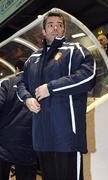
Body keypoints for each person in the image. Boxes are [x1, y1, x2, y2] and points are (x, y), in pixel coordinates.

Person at [17, 10, 96, 180]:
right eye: (50, 25)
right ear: (44, 31)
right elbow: (21, 83)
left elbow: (87, 76)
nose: (55, 28)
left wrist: (50, 88)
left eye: (59, 25)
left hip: (66, 137)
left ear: (64, 30)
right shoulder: (33, 58)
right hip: (42, 138)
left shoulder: (75, 50)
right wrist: (27, 98)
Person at [0, 60, 37, 180]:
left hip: (4, 145)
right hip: (28, 146)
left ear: (16, 69)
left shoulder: (8, 84)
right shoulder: (39, 86)